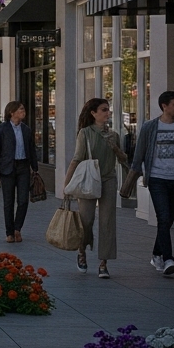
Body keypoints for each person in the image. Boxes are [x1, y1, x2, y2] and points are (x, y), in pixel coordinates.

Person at [130, 90, 174, 277]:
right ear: (164, 106)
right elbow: (139, 154)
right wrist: (133, 177)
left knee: (167, 220)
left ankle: (156, 254)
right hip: (157, 180)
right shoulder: (150, 127)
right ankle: (169, 259)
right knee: (163, 217)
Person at [65, 97, 130, 279]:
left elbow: (123, 159)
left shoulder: (114, 135)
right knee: (86, 220)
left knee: (107, 221)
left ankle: (104, 263)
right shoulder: (85, 133)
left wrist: (115, 147)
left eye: (108, 109)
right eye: (103, 110)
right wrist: (67, 185)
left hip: (108, 179)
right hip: (89, 180)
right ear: (93, 113)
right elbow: (77, 158)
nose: (107, 113)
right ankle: (82, 253)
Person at [0, 101, 39, 244]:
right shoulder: (2, 129)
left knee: (23, 200)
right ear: (12, 112)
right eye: (21, 109)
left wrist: (35, 169)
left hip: (23, 167)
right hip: (7, 168)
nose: (24, 111)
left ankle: (18, 228)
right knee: (8, 202)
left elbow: (32, 150)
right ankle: (9, 232)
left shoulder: (26, 129)